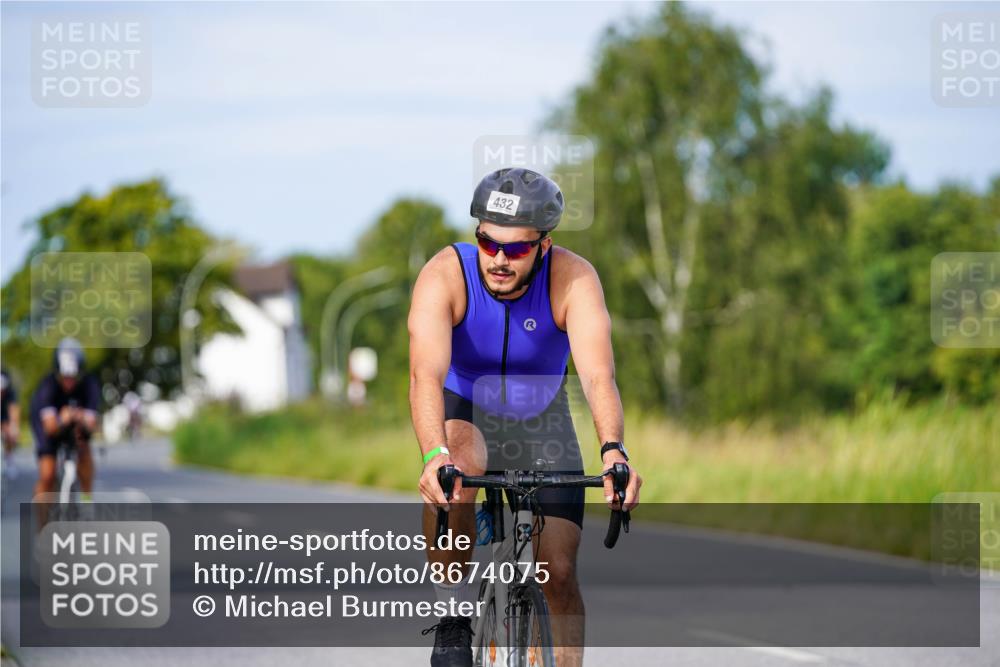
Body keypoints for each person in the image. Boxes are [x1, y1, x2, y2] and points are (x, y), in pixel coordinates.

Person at [408, 167, 642, 667]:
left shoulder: (573, 279)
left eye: (515, 249)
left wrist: (614, 450)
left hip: (541, 417)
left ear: (545, 244)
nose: (498, 259)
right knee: (458, 468)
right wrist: (434, 456)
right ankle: (452, 618)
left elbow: (599, 377)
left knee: (557, 571)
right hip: (465, 409)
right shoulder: (446, 274)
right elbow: (424, 376)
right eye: (488, 244)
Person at [30, 337, 100, 504]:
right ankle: (43, 526)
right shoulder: (47, 386)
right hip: (49, 429)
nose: (69, 382)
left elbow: (91, 425)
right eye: (64, 376)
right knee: (47, 475)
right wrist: (63, 418)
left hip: (76, 427)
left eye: (73, 376)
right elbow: (50, 427)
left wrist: (81, 417)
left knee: (85, 451)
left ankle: (86, 500)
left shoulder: (90, 384)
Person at [1, 368, 20, 479]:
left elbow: (14, 411)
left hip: (5, 418)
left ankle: (9, 458)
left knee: (11, 433)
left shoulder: (10, 394)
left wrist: (14, 427)